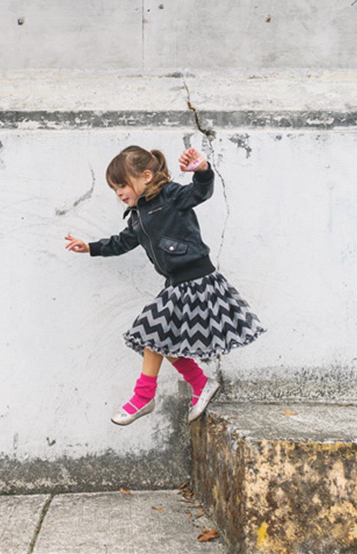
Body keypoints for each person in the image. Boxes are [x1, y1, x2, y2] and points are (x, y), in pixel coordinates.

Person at [65, 145, 265, 426]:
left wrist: (203, 171)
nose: (119, 193)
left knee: (151, 331)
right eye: (114, 189)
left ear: (146, 176)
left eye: (122, 185)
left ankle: (144, 396)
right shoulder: (137, 215)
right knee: (160, 337)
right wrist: (90, 247)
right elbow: (121, 242)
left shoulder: (170, 196)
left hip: (196, 279)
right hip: (177, 284)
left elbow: (200, 192)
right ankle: (199, 383)